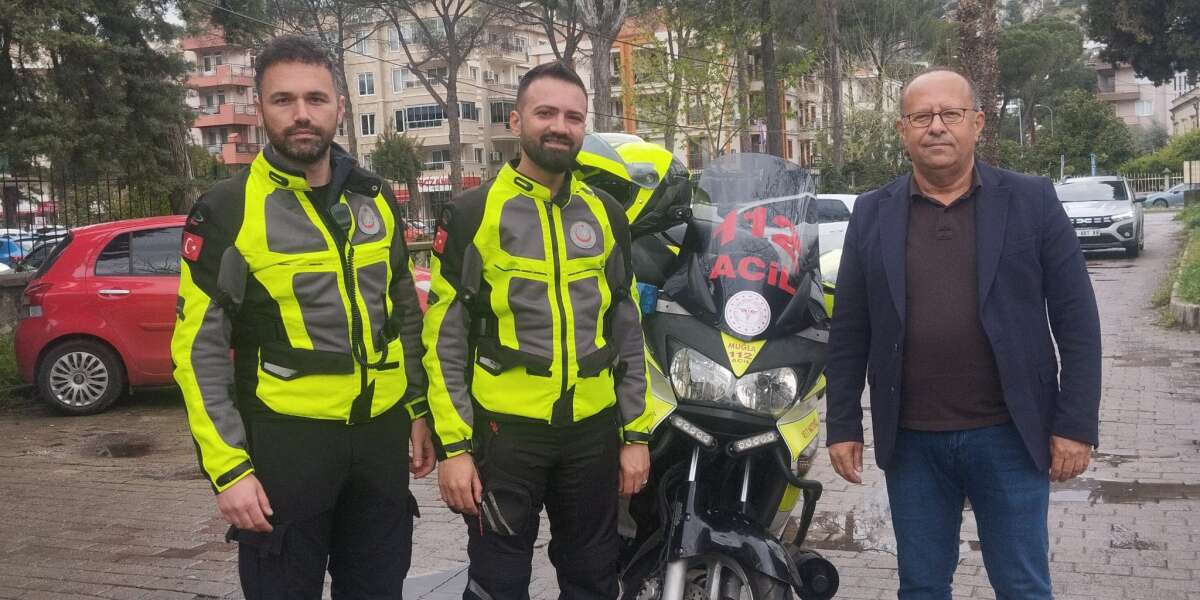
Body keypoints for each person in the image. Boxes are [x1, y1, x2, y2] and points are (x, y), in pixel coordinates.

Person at [172, 35, 433, 599]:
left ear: (339, 105)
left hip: (380, 440)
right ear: (260, 109)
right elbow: (198, 351)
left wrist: (418, 411)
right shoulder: (228, 210)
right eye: (283, 100)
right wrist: (229, 470)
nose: (301, 114)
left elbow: (403, 316)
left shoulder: (374, 197)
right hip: (285, 445)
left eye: (315, 99)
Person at [825, 67, 1102, 599]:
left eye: (950, 114)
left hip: (1010, 436)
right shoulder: (873, 212)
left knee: (1022, 586)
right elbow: (850, 330)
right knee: (921, 587)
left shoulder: (1031, 200)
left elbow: (1078, 323)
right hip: (912, 442)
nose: (936, 126)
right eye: (921, 116)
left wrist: (1075, 424)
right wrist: (842, 425)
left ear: (977, 123)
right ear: (903, 130)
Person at [423, 61, 655, 600]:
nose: (560, 126)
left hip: (592, 434)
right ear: (516, 121)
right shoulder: (471, 214)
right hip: (505, 437)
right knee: (498, 585)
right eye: (545, 113)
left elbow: (627, 330)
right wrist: (454, 447)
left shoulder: (607, 214)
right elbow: (443, 339)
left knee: (595, 579)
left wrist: (636, 435)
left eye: (573, 117)